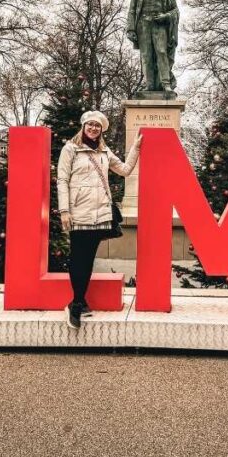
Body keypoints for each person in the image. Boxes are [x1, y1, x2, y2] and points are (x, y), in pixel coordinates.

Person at [56, 110, 141, 329]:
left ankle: (80, 301)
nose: (93, 128)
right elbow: (62, 180)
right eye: (90, 125)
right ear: (83, 126)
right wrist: (64, 210)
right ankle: (75, 304)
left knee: (87, 259)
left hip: (100, 214)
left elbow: (124, 170)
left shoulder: (104, 151)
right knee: (78, 258)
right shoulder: (71, 149)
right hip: (79, 212)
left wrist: (136, 148)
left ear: (101, 130)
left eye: (98, 126)